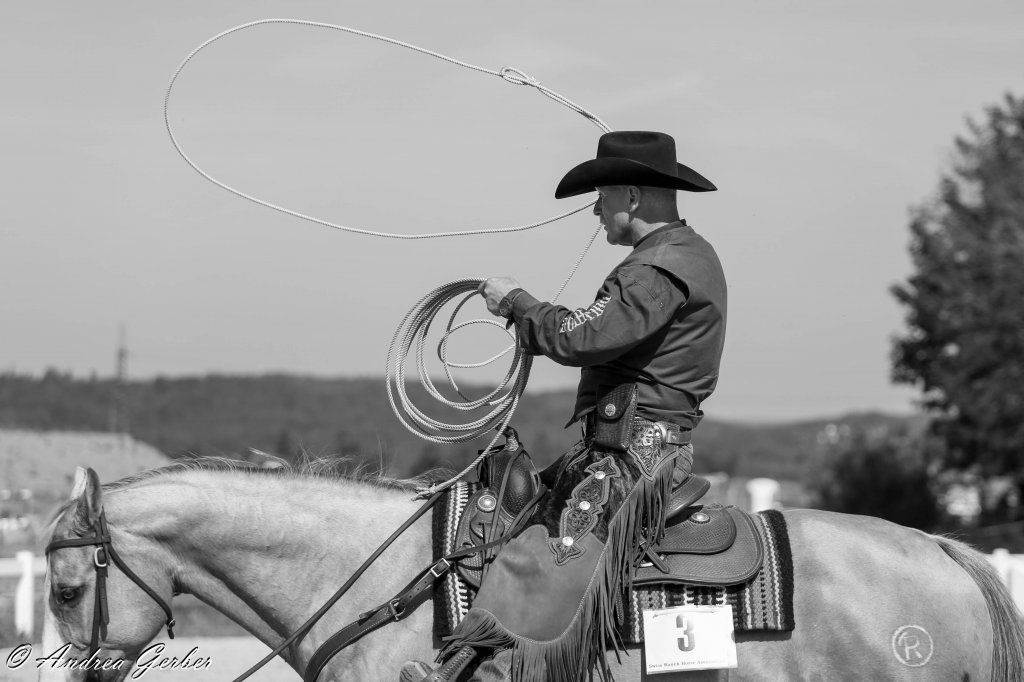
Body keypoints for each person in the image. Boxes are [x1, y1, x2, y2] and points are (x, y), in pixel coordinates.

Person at [401, 130, 727, 682]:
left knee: (545, 548)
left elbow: (586, 336)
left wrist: (517, 305)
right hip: (622, 445)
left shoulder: (661, 265)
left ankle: (500, 670)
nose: (596, 211)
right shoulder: (673, 257)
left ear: (629, 195)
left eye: (600, 197)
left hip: (636, 456)